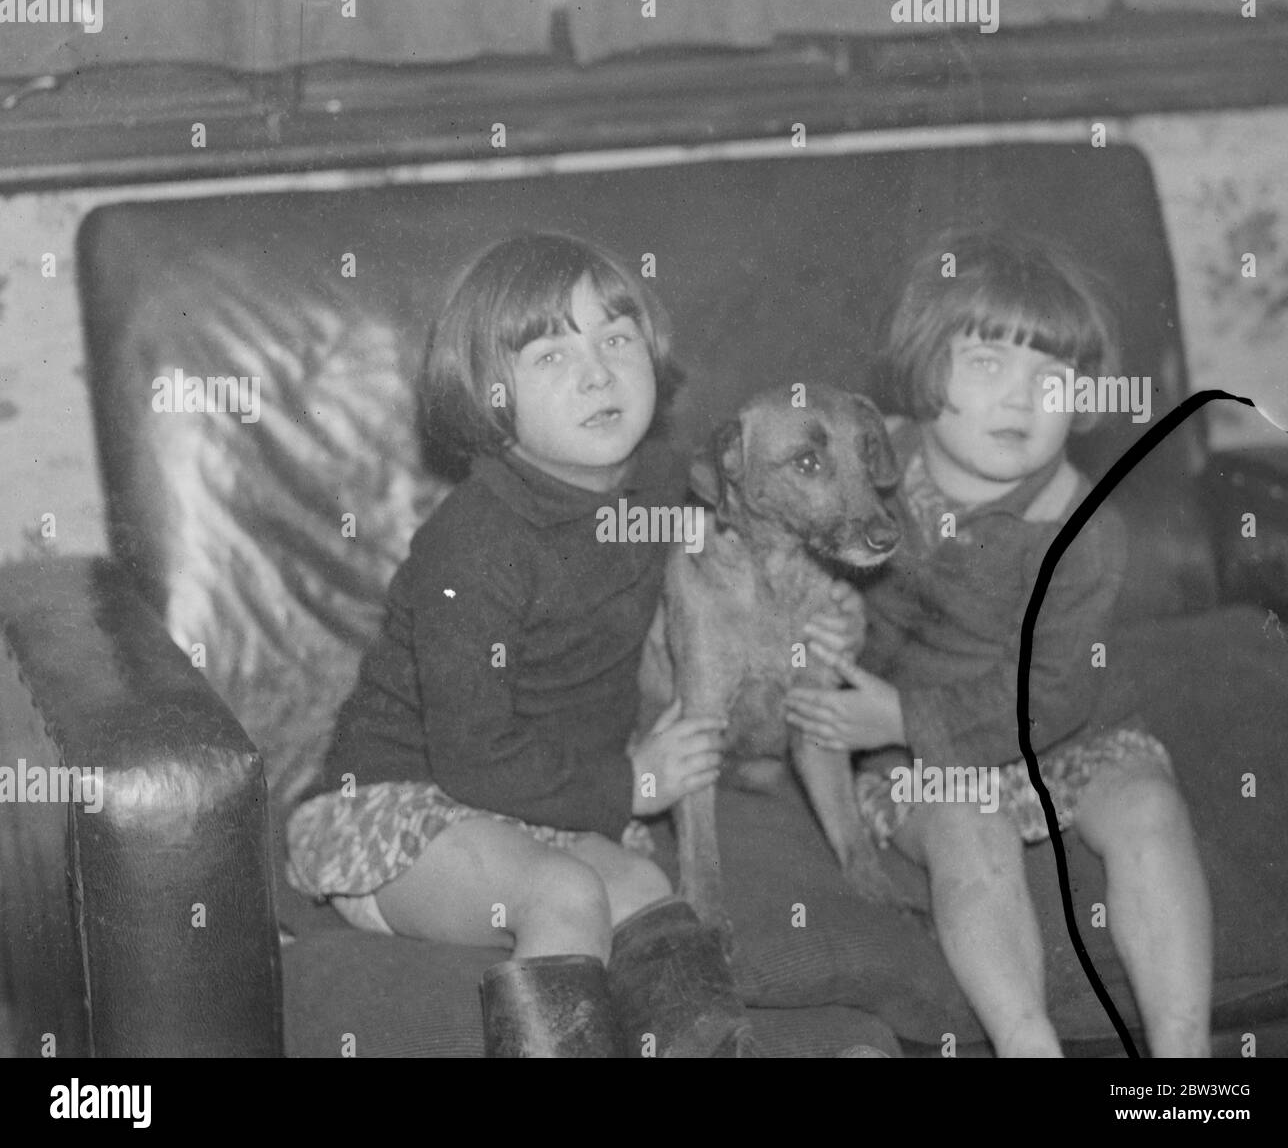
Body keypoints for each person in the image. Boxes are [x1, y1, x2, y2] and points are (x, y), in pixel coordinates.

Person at [285, 230, 859, 1057]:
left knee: (643, 887)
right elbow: (471, 760)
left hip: (545, 803)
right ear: (490, 397)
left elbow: (765, 544)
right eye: (551, 356)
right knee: (564, 893)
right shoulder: (472, 547)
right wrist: (633, 782)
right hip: (404, 800)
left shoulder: (661, 485)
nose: (597, 372)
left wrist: (826, 615)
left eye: (617, 339)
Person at [784, 228, 1213, 1058]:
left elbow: (1054, 696)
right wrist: (829, 616)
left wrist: (902, 715)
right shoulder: (868, 464)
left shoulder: (1084, 530)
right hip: (915, 758)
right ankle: (1028, 1046)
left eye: (1053, 379)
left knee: (1151, 809)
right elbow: (800, 564)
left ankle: (1184, 1061)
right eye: (986, 364)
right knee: (967, 825)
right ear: (924, 367)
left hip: (1056, 729)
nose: (1022, 401)